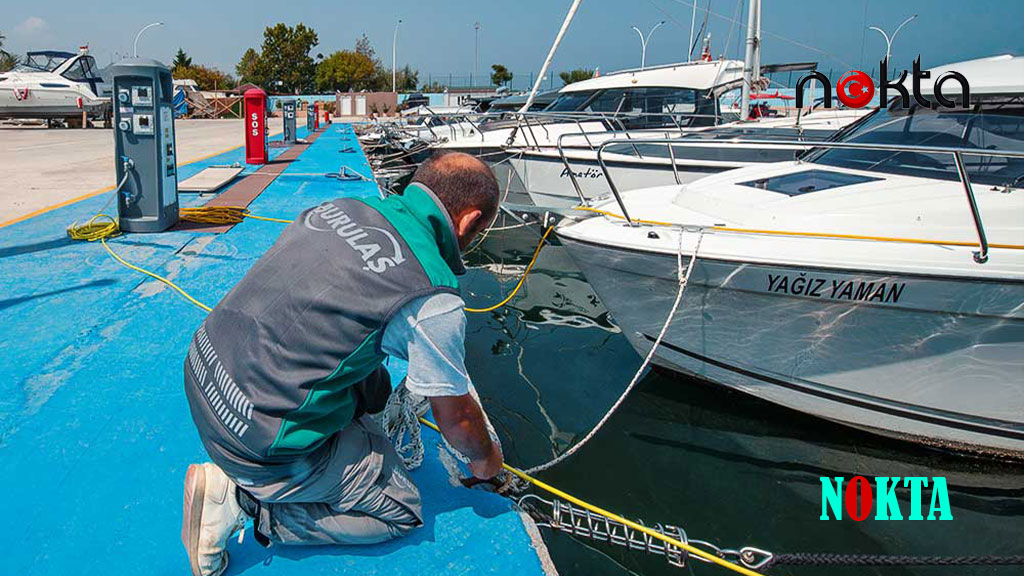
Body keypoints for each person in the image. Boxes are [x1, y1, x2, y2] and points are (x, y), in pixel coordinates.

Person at [181, 151, 504, 576]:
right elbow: (457, 420)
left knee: (375, 383)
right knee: (401, 510)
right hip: (251, 439)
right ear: (468, 222)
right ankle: (244, 504)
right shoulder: (433, 299)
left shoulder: (340, 208)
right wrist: (487, 463)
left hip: (202, 375)